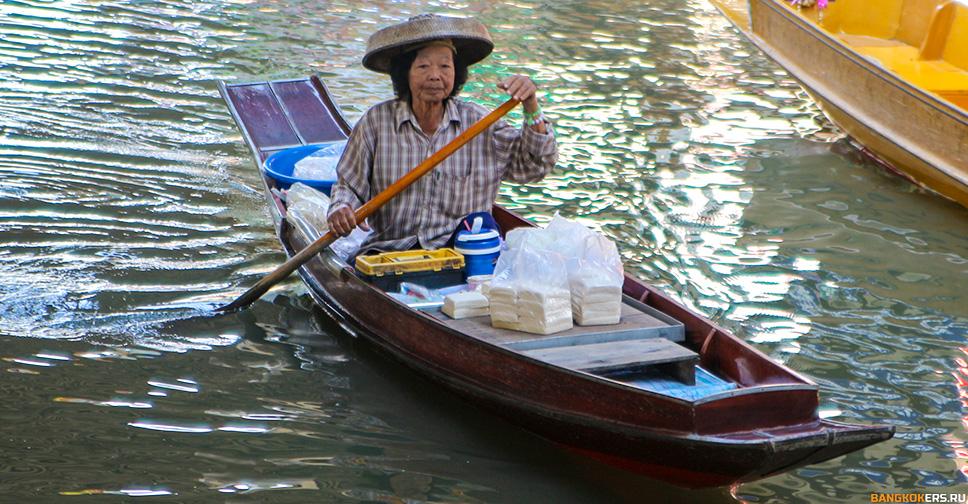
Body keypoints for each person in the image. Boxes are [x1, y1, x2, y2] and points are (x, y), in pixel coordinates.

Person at [326, 14, 558, 254]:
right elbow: (349, 186)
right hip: (390, 252)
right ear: (405, 73)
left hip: (465, 257)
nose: (435, 75)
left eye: (445, 66)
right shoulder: (376, 122)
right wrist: (341, 208)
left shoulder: (480, 123)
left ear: (456, 72)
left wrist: (531, 106)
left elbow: (535, 166)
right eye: (424, 66)